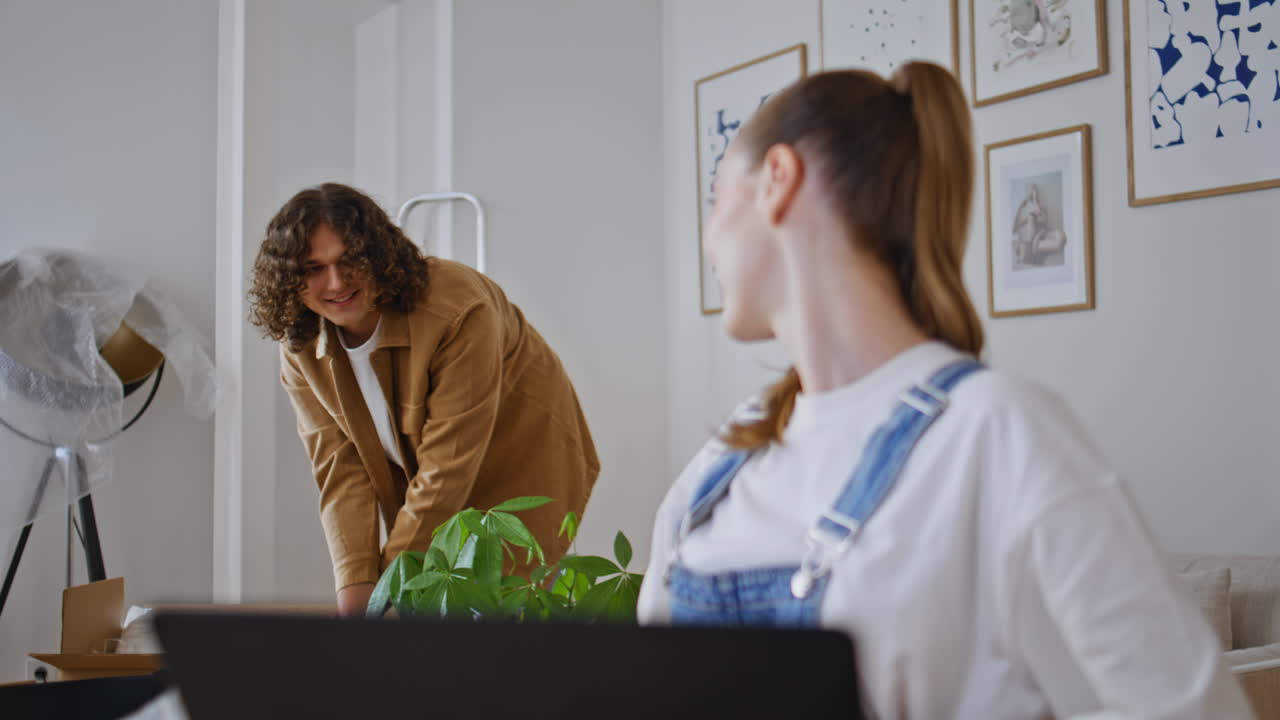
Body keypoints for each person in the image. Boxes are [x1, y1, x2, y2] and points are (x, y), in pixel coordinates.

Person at [636, 65, 1251, 718]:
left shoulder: (997, 432)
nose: (707, 240)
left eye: (715, 198)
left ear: (778, 181)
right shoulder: (727, 461)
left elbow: (1196, 709)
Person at [248, 183, 599, 616]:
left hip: (521, 469)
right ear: (289, 279)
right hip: (427, 490)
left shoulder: (459, 308)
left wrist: (389, 588)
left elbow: (447, 465)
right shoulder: (301, 344)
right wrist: (356, 588)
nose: (336, 283)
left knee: (503, 636)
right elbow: (340, 468)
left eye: (349, 261)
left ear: (377, 254)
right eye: (313, 268)